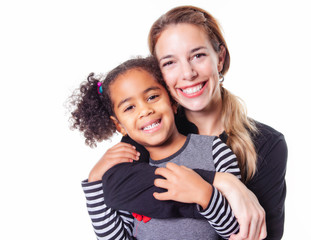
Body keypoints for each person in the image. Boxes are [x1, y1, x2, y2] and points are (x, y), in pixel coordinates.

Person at [81, 5, 287, 240]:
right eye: (170, 62)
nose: (188, 73)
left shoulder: (266, 144)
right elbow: (117, 189)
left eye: (198, 55)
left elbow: (258, 234)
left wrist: (206, 194)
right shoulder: (153, 128)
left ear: (219, 58)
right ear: (159, 74)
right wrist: (220, 182)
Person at [70, 56, 245, 239]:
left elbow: (238, 228)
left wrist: (205, 195)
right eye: (129, 108)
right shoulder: (129, 174)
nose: (145, 110)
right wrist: (95, 180)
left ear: (172, 101)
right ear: (120, 126)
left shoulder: (214, 151)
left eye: (152, 97)